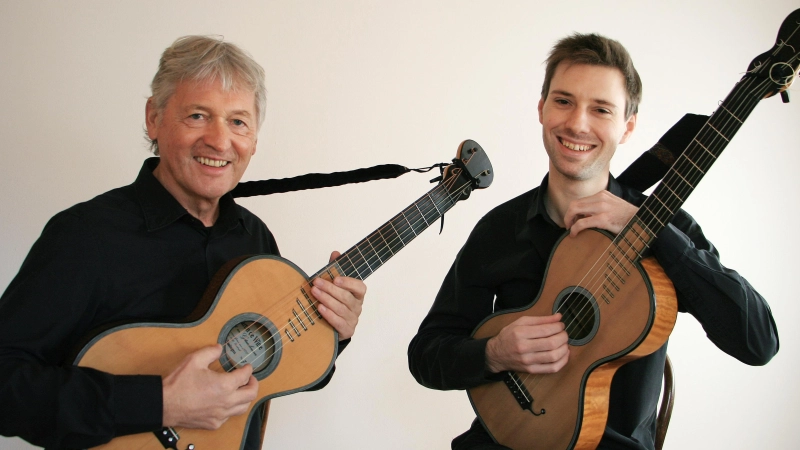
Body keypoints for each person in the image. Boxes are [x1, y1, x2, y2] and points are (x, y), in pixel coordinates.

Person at [407, 33, 779, 449]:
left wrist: (651, 231)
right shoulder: (500, 229)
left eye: (601, 109)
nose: (577, 123)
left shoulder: (666, 228)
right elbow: (425, 355)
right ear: (542, 109)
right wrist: (493, 353)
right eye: (563, 101)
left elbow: (758, 343)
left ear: (628, 126)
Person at [0, 35, 367, 449]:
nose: (219, 140)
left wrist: (334, 329)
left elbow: (272, 372)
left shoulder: (255, 238)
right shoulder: (85, 236)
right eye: (197, 116)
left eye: (238, 122)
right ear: (154, 118)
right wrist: (158, 403)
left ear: (255, 139)